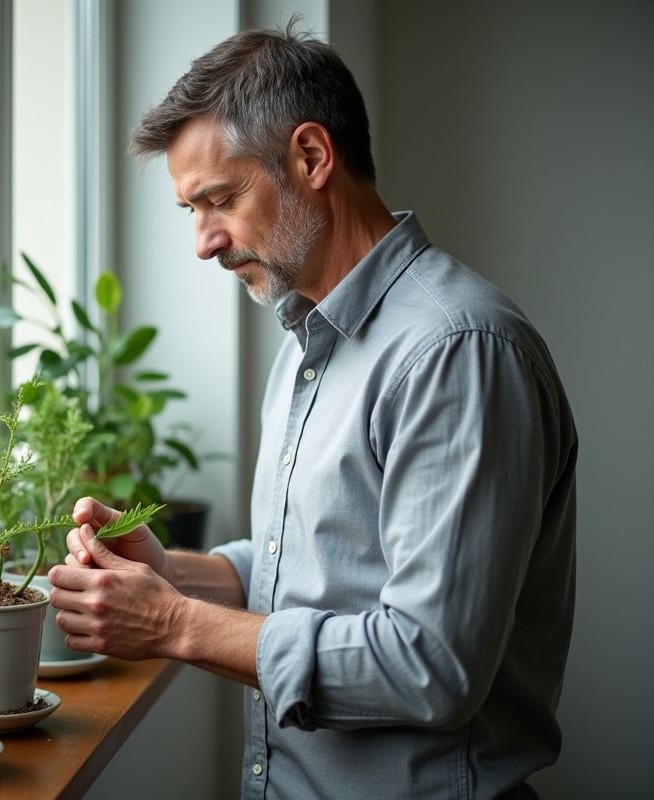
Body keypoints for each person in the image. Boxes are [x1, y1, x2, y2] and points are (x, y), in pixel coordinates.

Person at [46, 24, 576, 800]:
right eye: (191, 210)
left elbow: (432, 665)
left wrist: (173, 625)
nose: (203, 243)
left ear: (312, 158)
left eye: (219, 200)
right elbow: (314, 565)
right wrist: (174, 576)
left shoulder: (456, 351)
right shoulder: (306, 340)